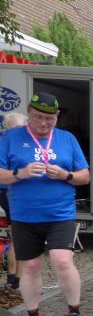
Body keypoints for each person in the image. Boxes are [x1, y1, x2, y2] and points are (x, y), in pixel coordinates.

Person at [0, 92, 91, 316]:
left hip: (60, 213)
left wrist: (66, 175)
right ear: (29, 112)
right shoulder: (10, 138)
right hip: (24, 215)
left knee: (62, 261)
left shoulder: (67, 138)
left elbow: (85, 175)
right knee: (30, 266)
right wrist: (20, 173)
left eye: (50, 119)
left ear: (57, 116)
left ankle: (74, 313)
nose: (43, 123)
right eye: (38, 117)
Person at [0, 112, 28, 289]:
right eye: (21, 127)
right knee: (22, 235)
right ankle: (18, 279)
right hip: (13, 192)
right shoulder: (14, 143)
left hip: (7, 192)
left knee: (16, 234)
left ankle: (13, 277)